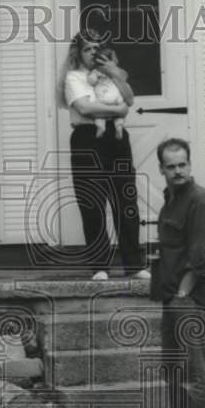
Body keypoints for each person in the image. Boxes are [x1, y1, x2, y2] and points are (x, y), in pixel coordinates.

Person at [57, 30, 149, 281]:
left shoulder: (111, 75)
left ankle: (134, 264)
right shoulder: (73, 77)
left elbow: (128, 99)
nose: (93, 53)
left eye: (97, 47)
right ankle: (100, 266)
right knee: (92, 202)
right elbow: (85, 108)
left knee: (126, 201)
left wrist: (116, 75)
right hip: (88, 140)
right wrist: (117, 109)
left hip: (117, 140)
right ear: (78, 53)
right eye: (88, 49)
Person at [152, 138, 205, 408]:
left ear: (190, 164)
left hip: (190, 300)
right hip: (173, 298)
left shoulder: (200, 201)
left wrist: (182, 292)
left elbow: (203, 254)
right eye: (171, 166)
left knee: (193, 374)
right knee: (174, 371)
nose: (178, 171)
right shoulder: (171, 199)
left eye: (182, 164)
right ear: (161, 169)